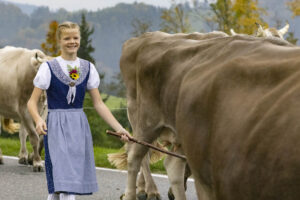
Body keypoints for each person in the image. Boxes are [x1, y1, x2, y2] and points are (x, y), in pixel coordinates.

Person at [27, 21, 132, 200]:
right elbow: (31, 102)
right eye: (67, 38)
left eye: (75, 37)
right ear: (59, 40)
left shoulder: (87, 67)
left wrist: (119, 128)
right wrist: (38, 120)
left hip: (78, 127)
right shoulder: (49, 67)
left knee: (70, 180)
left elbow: (99, 104)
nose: (72, 41)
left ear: (80, 39)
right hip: (56, 126)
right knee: (60, 181)